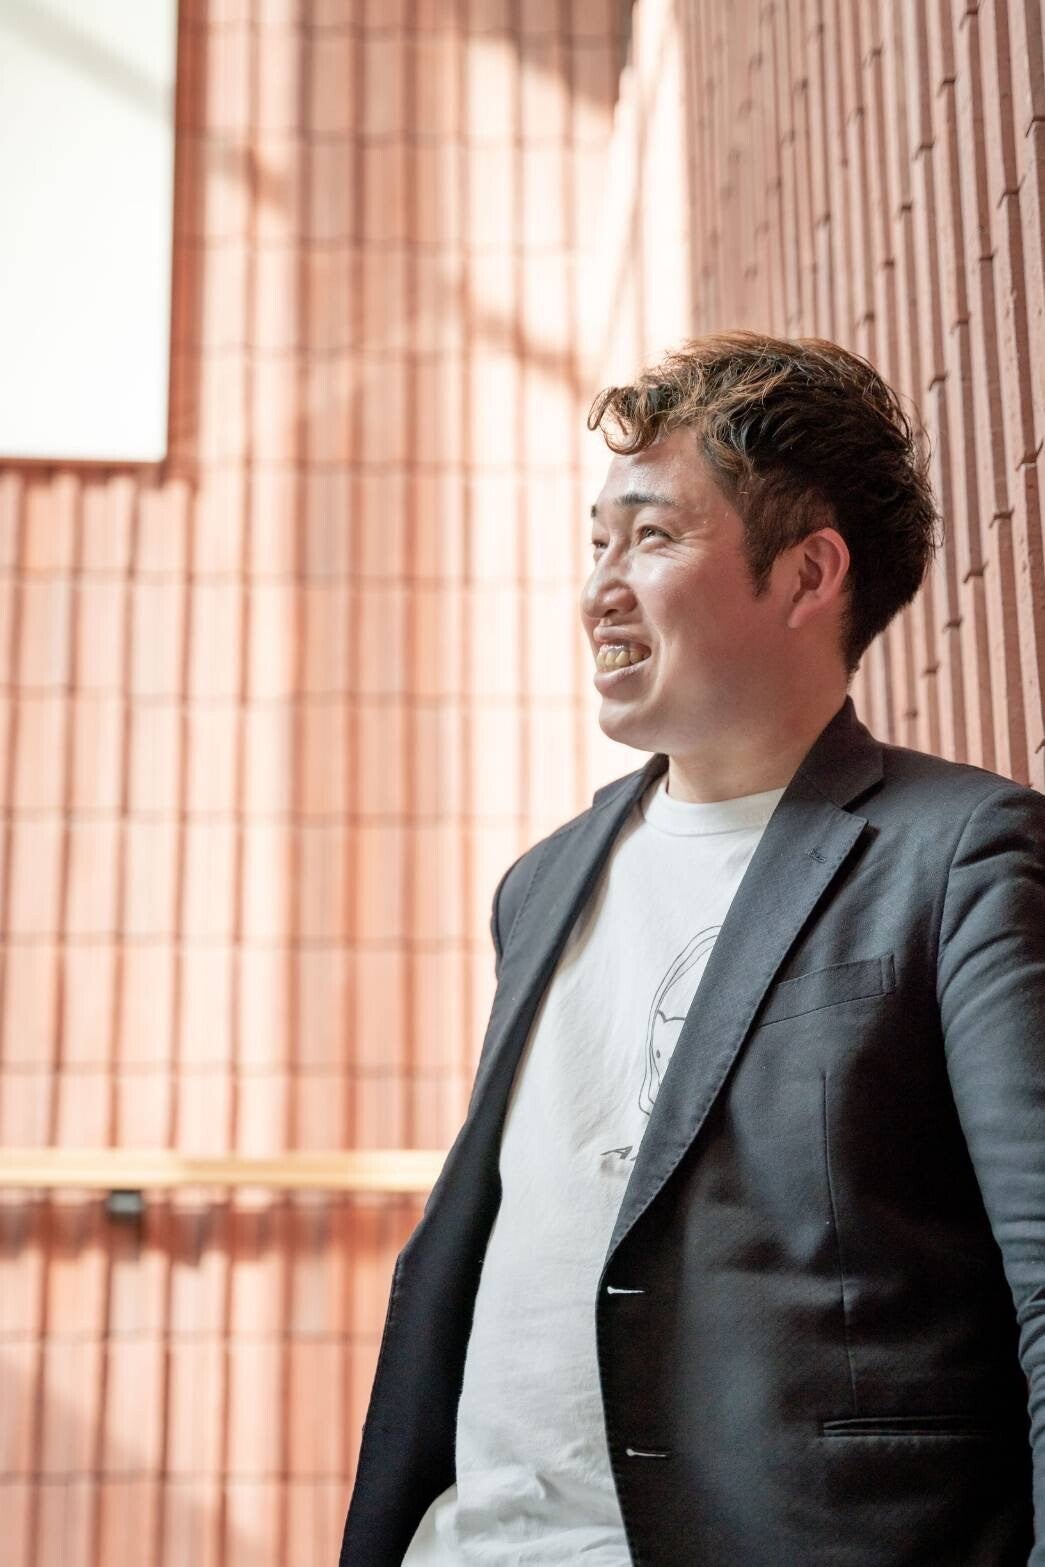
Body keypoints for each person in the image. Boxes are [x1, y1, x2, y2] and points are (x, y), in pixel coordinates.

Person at [339, 332, 1045, 1565]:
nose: (599, 589)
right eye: (597, 544)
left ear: (808, 572)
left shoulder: (955, 856)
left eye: (652, 537)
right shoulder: (540, 884)